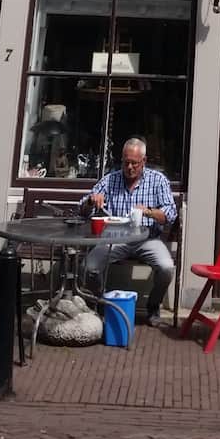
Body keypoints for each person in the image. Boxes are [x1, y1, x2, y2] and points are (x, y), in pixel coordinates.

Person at [81, 137, 176, 327]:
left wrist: (148, 211)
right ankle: (102, 305)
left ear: (144, 161)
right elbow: (82, 208)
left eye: (135, 163)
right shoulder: (110, 179)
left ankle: (153, 306)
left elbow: (170, 213)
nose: (130, 167)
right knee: (89, 267)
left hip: (147, 238)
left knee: (166, 268)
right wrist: (91, 201)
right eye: (126, 162)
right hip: (116, 238)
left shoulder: (158, 180)